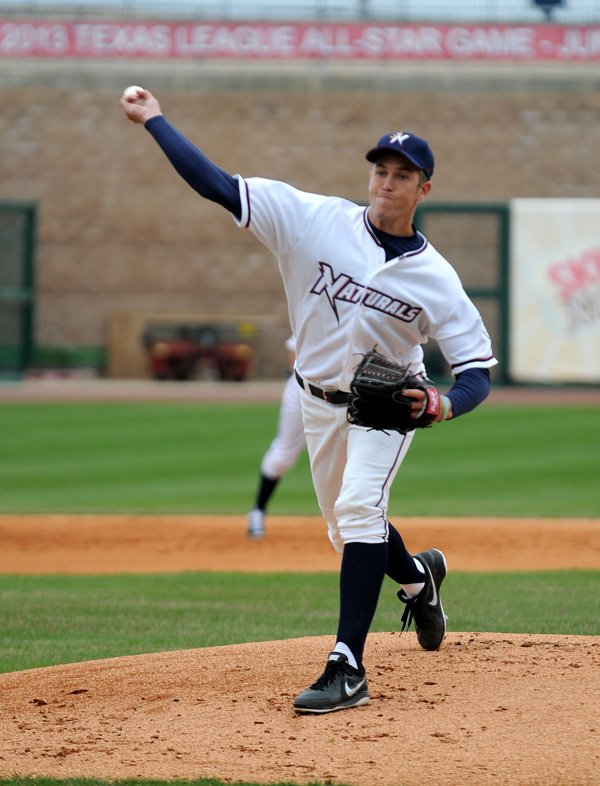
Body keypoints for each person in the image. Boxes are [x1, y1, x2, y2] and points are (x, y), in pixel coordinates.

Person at [120, 90, 498, 715]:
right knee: (344, 527)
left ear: (422, 190)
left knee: (357, 510)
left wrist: (443, 405)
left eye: (402, 175)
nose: (387, 182)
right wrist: (154, 119)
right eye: (381, 170)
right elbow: (216, 184)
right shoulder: (311, 220)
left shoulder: (438, 279)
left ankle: (347, 667)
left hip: (384, 407)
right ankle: (417, 579)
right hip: (316, 402)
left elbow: (476, 370)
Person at [247, 335, 306, 539]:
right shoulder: (317, 307)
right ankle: (257, 511)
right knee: (283, 454)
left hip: (345, 392)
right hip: (302, 389)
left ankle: (351, 521)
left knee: (345, 456)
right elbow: (294, 355)